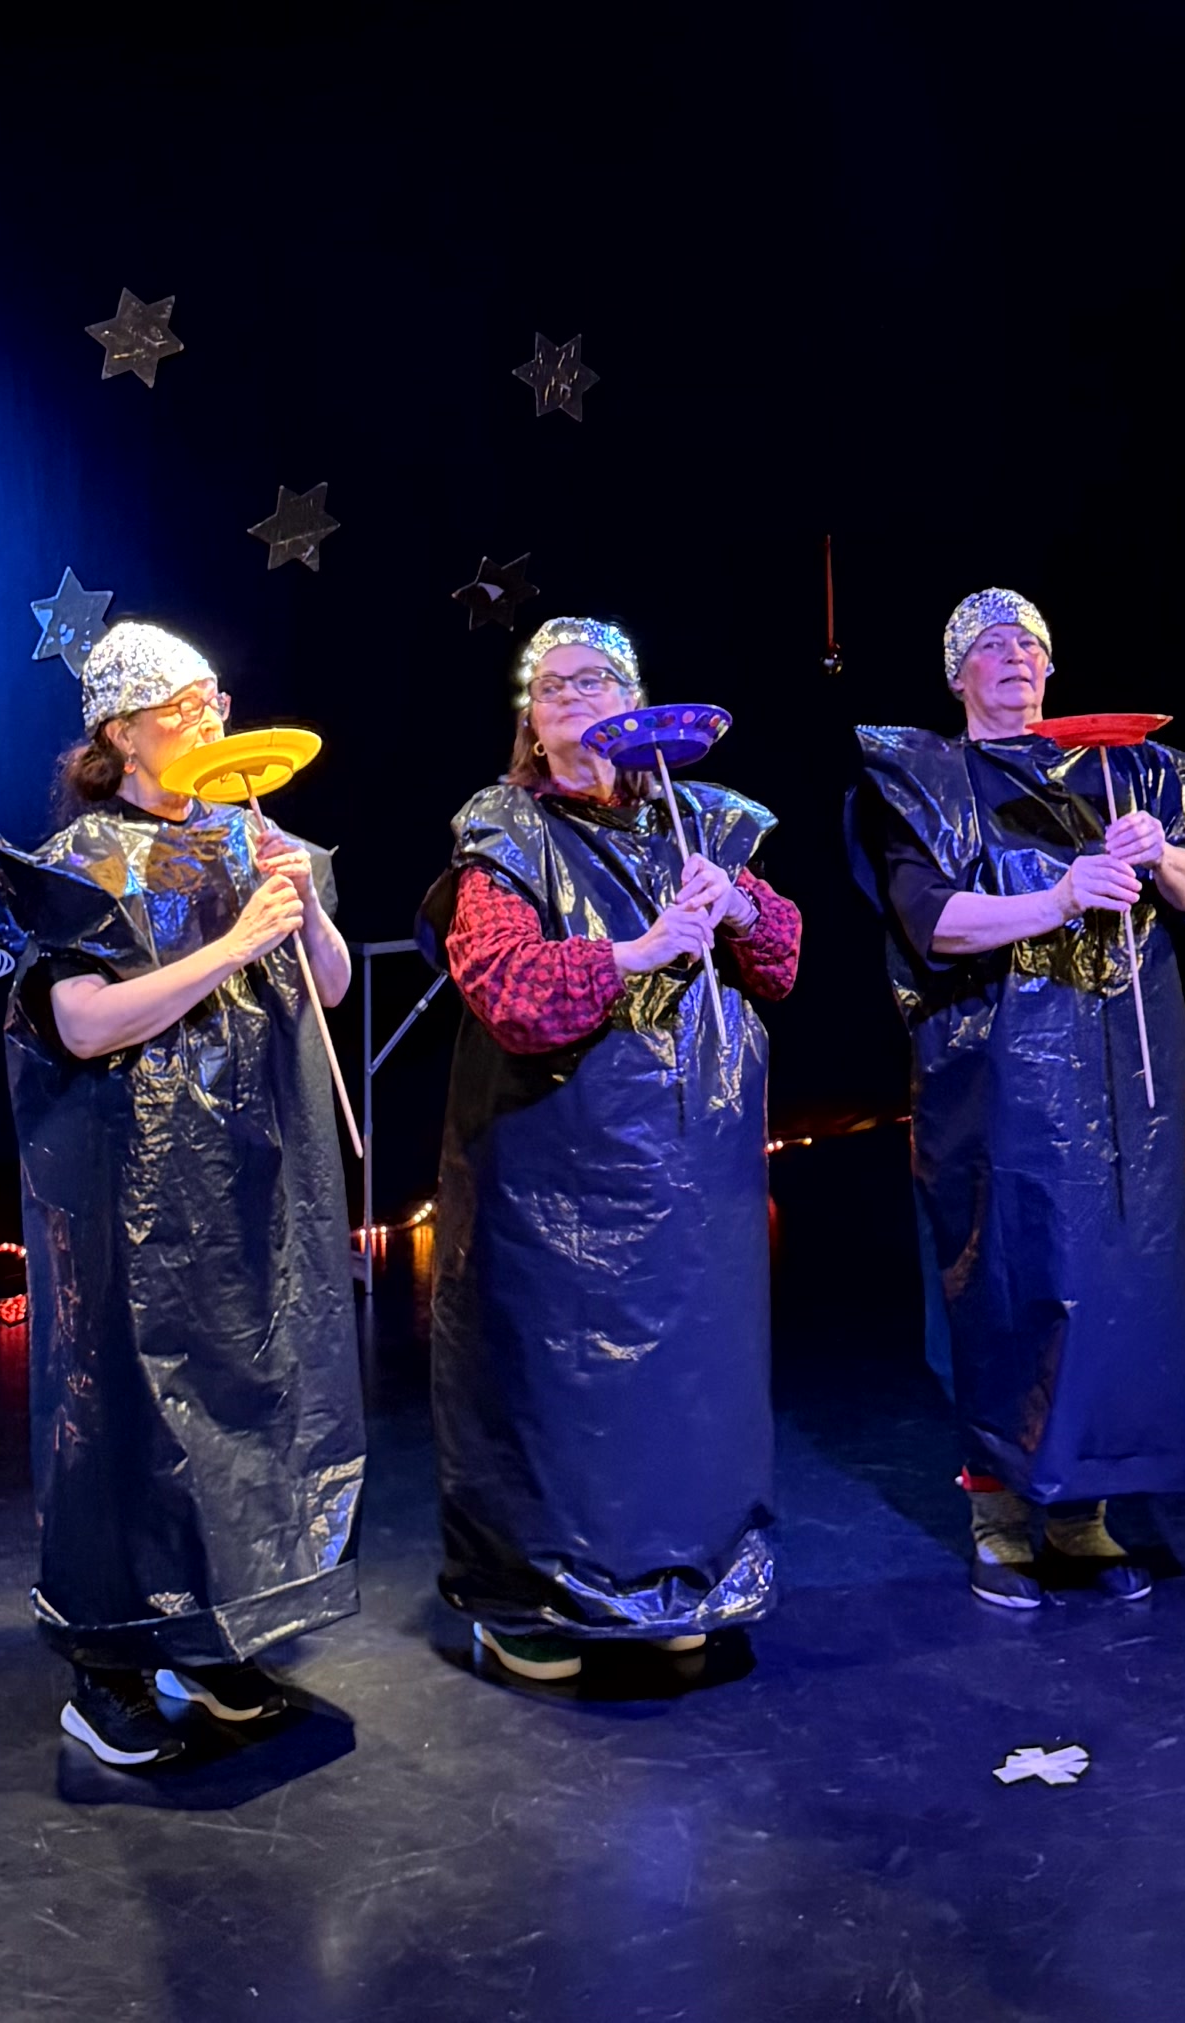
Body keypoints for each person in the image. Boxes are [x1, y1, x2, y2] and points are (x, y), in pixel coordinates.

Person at [0, 622, 365, 1766]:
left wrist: (303, 910)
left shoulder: (256, 837)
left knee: (245, 1394)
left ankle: (210, 1634)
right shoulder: (84, 858)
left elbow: (331, 989)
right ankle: (106, 1665)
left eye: (214, 698)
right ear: (121, 733)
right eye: (181, 705)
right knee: (130, 1410)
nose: (209, 718)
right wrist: (235, 943)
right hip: (133, 1189)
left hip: (257, 1179)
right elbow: (81, 1023)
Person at [418, 616, 801, 1682]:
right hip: (554, 1173)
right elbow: (504, 990)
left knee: (686, 1379)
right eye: (554, 687)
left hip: (692, 1169)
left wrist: (735, 904)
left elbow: (782, 962)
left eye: (598, 680)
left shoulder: (702, 821)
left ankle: (675, 1577)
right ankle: (533, 1601)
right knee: (561, 1386)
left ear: (636, 703)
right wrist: (635, 951)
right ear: (530, 724)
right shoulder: (505, 830)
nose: (577, 698)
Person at [848, 589, 1185, 1609]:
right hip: (996, 1076)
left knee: (1116, 1279)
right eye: (992, 644)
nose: (1015, 656)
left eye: (1031, 644)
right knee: (1005, 1280)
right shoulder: (928, 780)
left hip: (1123, 1075)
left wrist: (1158, 855)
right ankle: (1000, 1515)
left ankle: (1081, 1511)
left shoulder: (1126, 769)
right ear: (955, 673)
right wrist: (1057, 897)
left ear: (1051, 669)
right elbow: (932, 921)